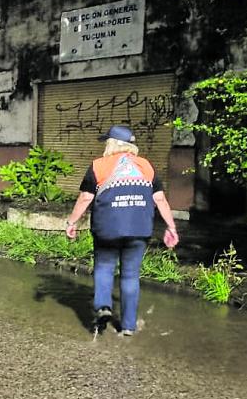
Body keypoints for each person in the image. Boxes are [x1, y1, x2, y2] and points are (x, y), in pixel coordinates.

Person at [65, 125, 180, 336]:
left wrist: (71, 222)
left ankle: (103, 307)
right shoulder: (146, 166)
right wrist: (171, 227)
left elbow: (86, 197)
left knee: (104, 266)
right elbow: (160, 199)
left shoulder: (98, 166)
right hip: (139, 229)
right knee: (130, 276)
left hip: (107, 228)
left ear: (111, 143)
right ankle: (128, 326)